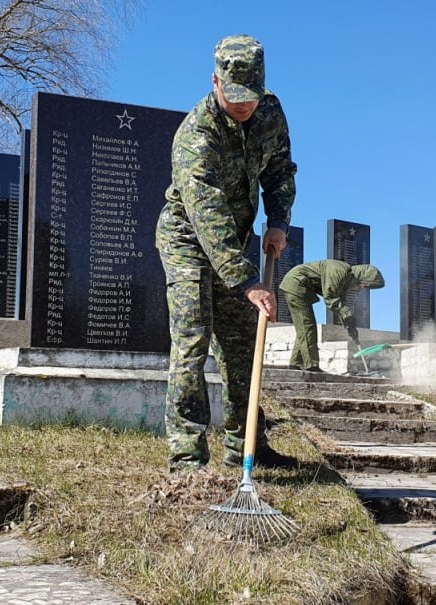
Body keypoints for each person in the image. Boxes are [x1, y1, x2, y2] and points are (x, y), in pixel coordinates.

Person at [155, 34, 299, 472]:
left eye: (250, 97)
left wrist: (278, 220)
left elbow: (279, 168)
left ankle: (247, 446)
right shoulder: (195, 137)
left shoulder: (270, 111)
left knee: (241, 347)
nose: (243, 106)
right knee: (193, 340)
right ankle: (186, 455)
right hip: (189, 240)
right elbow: (208, 214)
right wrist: (247, 280)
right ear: (214, 81)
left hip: (236, 241)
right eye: (234, 96)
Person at [279, 260, 384, 372]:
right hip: (296, 284)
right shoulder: (339, 271)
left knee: (304, 328)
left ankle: (295, 364)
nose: (365, 287)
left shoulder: (346, 280)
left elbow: (341, 305)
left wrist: (349, 325)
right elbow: (331, 299)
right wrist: (346, 313)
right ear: (362, 276)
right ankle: (311, 366)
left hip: (300, 287)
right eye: (367, 283)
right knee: (307, 326)